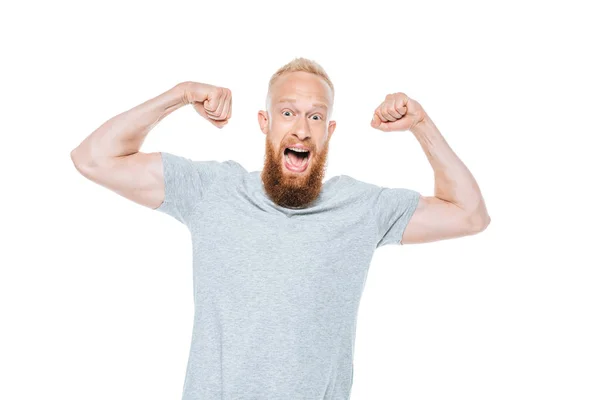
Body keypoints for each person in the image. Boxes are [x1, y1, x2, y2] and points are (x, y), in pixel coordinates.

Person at [71, 57, 490, 400]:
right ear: (264, 122)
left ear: (329, 132)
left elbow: (470, 214)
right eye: (287, 112)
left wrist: (421, 123)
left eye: (314, 116)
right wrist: (180, 95)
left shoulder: (361, 209)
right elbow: (93, 158)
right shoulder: (212, 190)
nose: (300, 129)